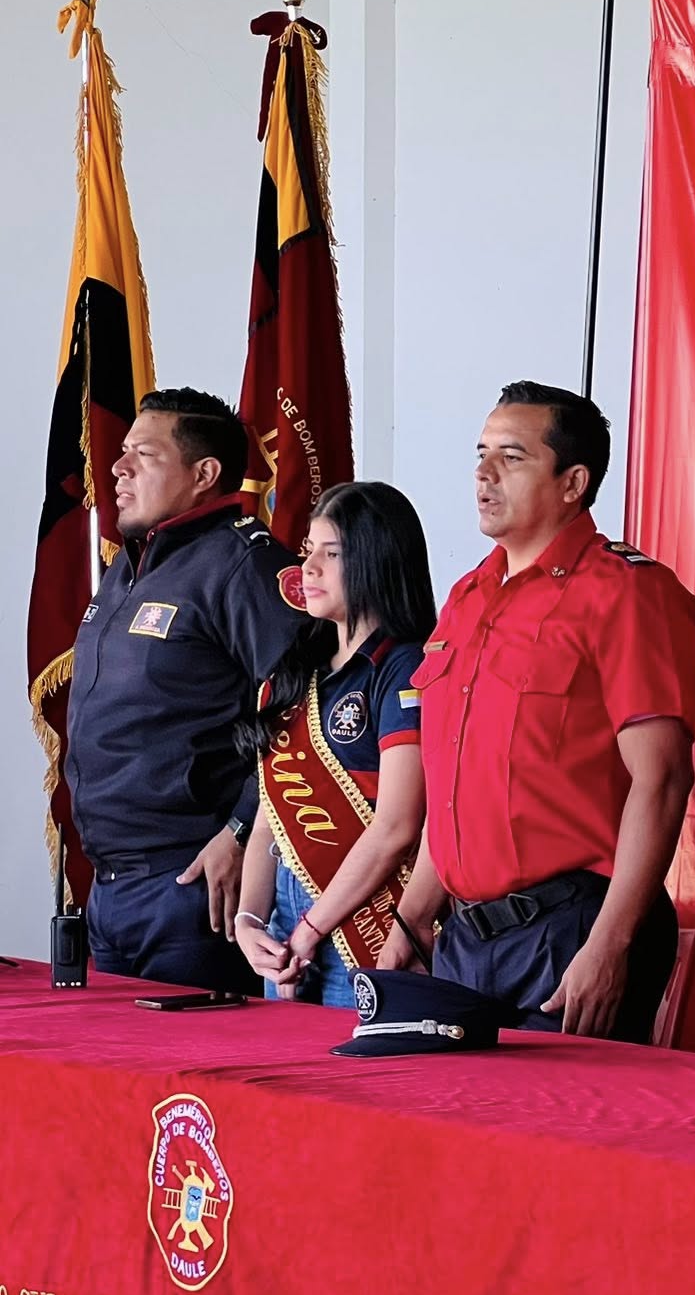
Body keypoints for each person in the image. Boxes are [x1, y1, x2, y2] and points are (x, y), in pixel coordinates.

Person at [379, 382, 695, 1042]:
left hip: (572, 930)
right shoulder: (468, 596)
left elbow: (663, 779)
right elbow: (457, 787)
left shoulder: (626, 593)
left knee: (570, 1110)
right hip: (466, 937)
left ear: (572, 482)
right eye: (481, 454)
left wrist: (610, 944)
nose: (484, 473)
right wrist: (412, 919)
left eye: (512, 457)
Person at [65, 386, 314, 992]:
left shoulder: (244, 564)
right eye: (123, 452)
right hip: (109, 885)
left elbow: (305, 707)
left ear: (204, 474)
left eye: (144, 455)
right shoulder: (128, 565)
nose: (118, 468)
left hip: (193, 886)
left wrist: (241, 829)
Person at [231, 482, 435, 1007]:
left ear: (377, 559)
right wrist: (249, 921)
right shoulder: (297, 671)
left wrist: (311, 929)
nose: (309, 568)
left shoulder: (404, 668)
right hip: (287, 926)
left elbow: (396, 828)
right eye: (308, 551)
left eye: (332, 553)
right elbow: (271, 821)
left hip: (368, 925)